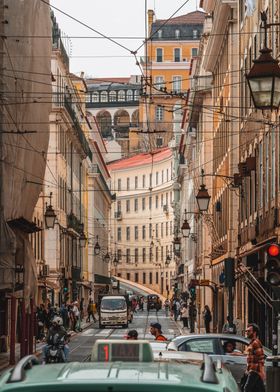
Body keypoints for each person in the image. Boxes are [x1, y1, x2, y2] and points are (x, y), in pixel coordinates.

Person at [240, 323, 265, 392]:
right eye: (246, 331)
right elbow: (250, 356)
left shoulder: (256, 343)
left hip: (254, 371)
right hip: (251, 370)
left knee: (246, 389)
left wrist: (261, 371)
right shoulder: (252, 343)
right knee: (258, 389)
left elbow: (261, 358)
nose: (247, 333)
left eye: (249, 331)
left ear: (254, 333)